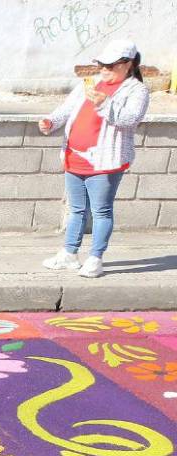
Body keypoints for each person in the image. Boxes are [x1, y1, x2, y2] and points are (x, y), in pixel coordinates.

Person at [39, 39, 150, 279]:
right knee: (77, 209)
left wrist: (104, 103)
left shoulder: (137, 90)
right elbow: (67, 109)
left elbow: (130, 120)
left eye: (110, 65)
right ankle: (69, 254)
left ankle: (95, 258)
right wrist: (50, 122)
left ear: (128, 64)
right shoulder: (89, 84)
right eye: (102, 64)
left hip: (105, 162)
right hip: (74, 157)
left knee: (101, 211)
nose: (105, 69)